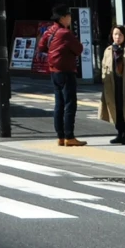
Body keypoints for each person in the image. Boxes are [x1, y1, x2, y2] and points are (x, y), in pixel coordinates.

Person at [40, 8, 84, 146]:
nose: (70, 19)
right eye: (69, 16)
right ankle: (69, 136)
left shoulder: (49, 31)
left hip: (54, 71)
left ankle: (60, 136)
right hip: (66, 71)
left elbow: (41, 47)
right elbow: (79, 49)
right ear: (62, 18)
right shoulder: (65, 33)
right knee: (70, 104)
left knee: (59, 104)